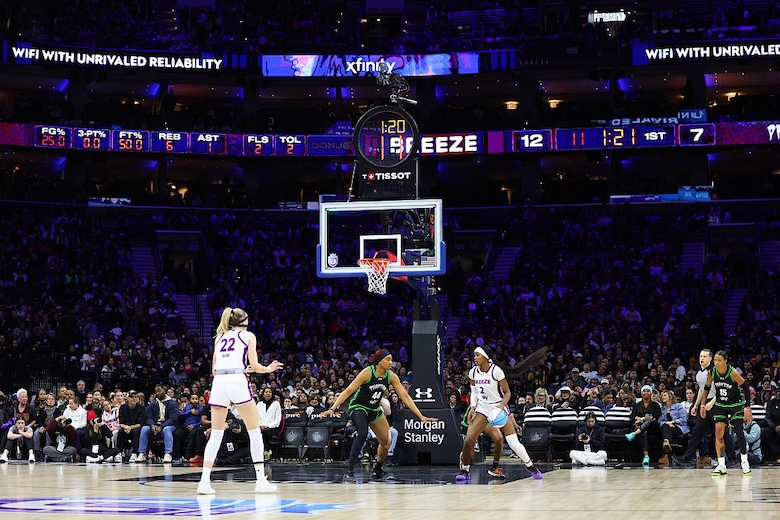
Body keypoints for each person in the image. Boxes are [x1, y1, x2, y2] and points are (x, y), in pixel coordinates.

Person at [198, 307, 283, 495]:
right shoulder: (249, 336)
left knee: (216, 434)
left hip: (219, 382)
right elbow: (255, 366)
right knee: (254, 432)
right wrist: (268, 369)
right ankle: (260, 480)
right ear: (245, 321)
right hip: (237, 381)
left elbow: (213, 370)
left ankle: (204, 482)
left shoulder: (219, 337)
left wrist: (242, 368)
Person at [321, 348, 436, 482]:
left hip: (374, 409)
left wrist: (421, 416)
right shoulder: (368, 372)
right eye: (387, 360)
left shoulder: (391, 376)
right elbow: (348, 391)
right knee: (363, 433)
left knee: (387, 441)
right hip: (359, 406)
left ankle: (378, 469)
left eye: (391, 360)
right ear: (379, 361)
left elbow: (404, 396)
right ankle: (350, 471)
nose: (390, 363)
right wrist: (333, 408)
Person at [458, 345, 544, 482]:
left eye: (477, 355)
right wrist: (473, 407)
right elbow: (474, 392)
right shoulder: (473, 372)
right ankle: (465, 470)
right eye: (474, 355)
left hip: (498, 407)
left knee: (513, 442)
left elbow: (508, 392)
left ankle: (530, 466)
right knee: (469, 439)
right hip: (483, 408)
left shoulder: (496, 371)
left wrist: (501, 406)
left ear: (485, 357)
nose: (474, 358)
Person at [703, 350, 753, 476]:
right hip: (720, 405)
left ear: (726, 361)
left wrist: (747, 407)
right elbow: (707, 388)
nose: (716, 363)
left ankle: (744, 462)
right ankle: (721, 465)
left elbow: (745, 386)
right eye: (715, 360)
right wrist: (703, 404)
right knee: (718, 433)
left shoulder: (733, 372)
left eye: (719, 360)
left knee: (739, 431)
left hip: (735, 404)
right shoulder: (712, 372)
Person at [673, 349, 717, 467]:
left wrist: (711, 403)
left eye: (704, 356)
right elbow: (701, 391)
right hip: (704, 404)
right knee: (697, 432)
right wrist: (697, 406)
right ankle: (686, 458)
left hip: (716, 403)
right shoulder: (698, 374)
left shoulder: (714, 371)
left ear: (710, 359)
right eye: (701, 356)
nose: (702, 358)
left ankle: (733, 458)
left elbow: (720, 390)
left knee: (722, 432)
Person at [136, 385, 179, 463]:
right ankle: (142, 453)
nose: (157, 393)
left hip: (168, 426)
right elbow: (148, 417)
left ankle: (168, 453)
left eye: (160, 391)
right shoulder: (153, 404)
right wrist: (152, 425)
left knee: (166, 429)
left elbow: (173, 419)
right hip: (155, 426)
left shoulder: (172, 403)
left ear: (165, 391)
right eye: (156, 391)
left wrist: (161, 426)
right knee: (144, 429)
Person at [624, 385, 661, 466]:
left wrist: (641, 419)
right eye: (644, 391)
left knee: (652, 420)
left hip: (652, 427)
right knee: (643, 432)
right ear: (641, 393)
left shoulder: (656, 405)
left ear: (651, 393)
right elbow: (633, 416)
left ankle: (634, 434)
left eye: (648, 391)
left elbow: (655, 416)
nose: (646, 393)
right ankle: (646, 456)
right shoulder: (636, 405)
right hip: (640, 426)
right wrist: (642, 419)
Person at [658, 389, 689, 465]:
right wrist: (667, 423)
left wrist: (673, 422)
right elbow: (659, 420)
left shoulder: (678, 406)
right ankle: (666, 444)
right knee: (664, 426)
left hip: (679, 427)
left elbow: (683, 419)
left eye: (665, 395)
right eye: (662, 396)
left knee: (665, 427)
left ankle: (666, 447)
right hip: (667, 428)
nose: (663, 397)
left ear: (670, 396)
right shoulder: (663, 408)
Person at [117, 390, 144, 462]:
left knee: (136, 432)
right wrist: (125, 427)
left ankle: (134, 453)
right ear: (128, 398)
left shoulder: (141, 408)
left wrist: (130, 427)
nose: (134, 398)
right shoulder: (123, 408)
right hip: (126, 427)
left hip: (135, 428)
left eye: (136, 397)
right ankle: (119, 453)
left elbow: (140, 424)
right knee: (120, 431)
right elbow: (121, 422)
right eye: (132, 397)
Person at [256, 387, 282, 459]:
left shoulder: (276, 404)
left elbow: (278, 419)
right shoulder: (259, 404)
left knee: (265, 432)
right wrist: (260, 425)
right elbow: (256, 417)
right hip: (261, 426)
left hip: (273, 427)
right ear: (263, 394)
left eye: (269, 392)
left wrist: (268, 426)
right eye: (266, 392)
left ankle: (267, 451)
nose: (268, 393)